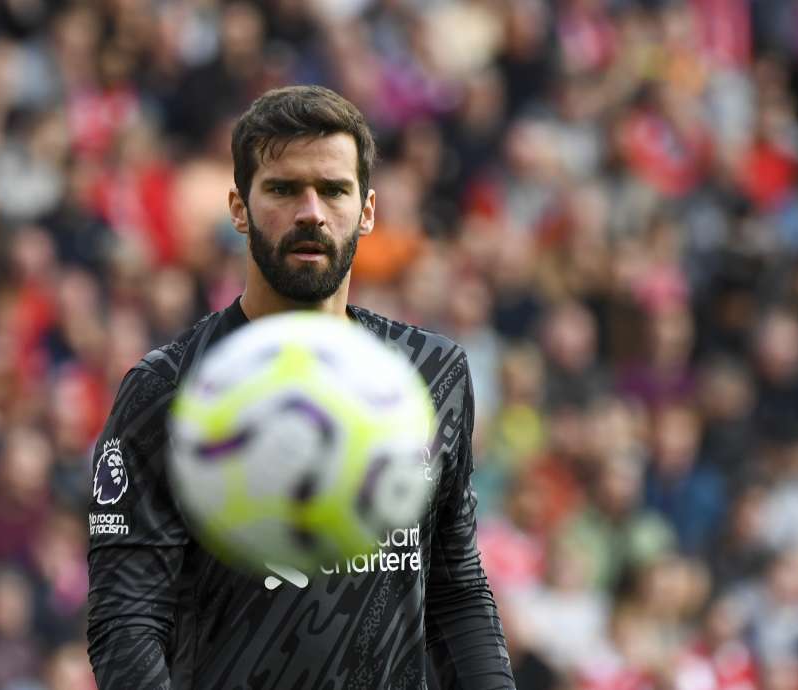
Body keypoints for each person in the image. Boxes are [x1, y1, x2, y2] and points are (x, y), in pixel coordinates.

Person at [86, 85, 515, 689]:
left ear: (367, 209)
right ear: (238, 208)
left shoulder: (432, 372)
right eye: (284, 189)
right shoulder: (169, 389)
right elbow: (126, 621)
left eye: (334, 190)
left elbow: (458, 593)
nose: (311, 211)